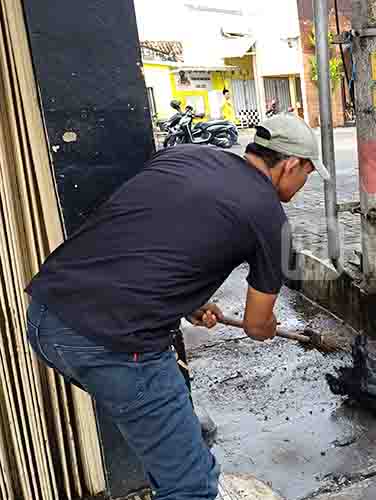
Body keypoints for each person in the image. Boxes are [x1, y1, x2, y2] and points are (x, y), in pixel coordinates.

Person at [24, 114, 330, 500]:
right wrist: (267, 327)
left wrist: (190, 302)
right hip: (114, 343)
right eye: (306, 174)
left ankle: (184, 459)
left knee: (169, 436)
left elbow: (156, 238)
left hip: (45, 318)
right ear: (291, 164)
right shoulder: (269, 217)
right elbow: (256, 324)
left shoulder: (186, 155)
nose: (303, 185)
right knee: (189, 487)